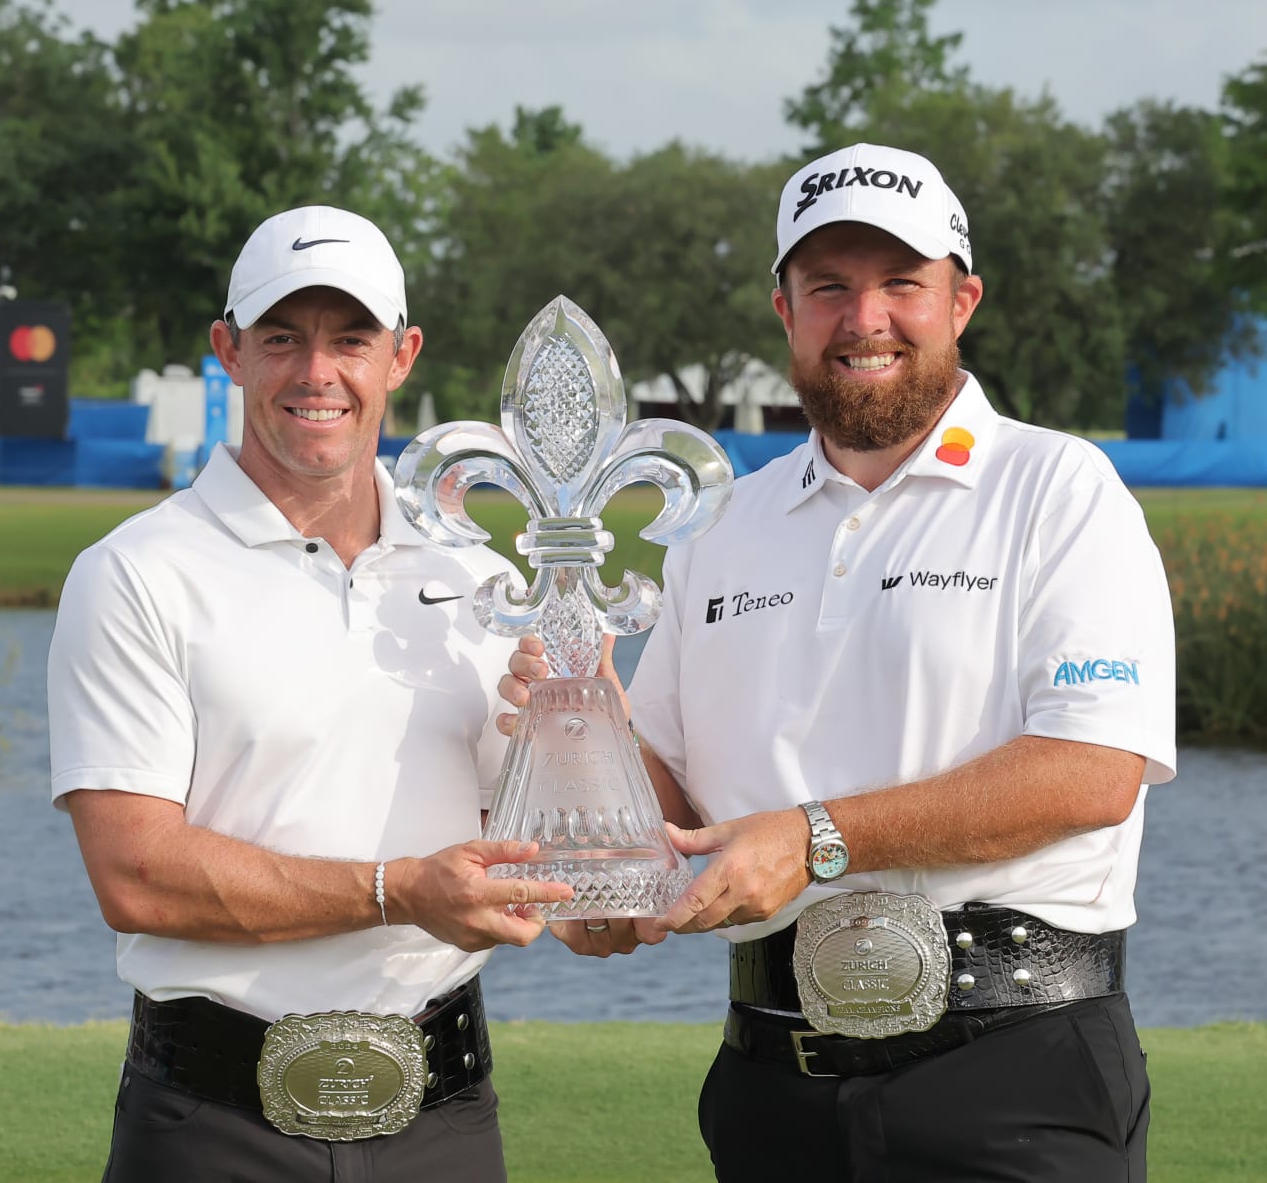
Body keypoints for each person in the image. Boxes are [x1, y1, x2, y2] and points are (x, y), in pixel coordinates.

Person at [500, 143, 1176, 1180]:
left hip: (1014, 1073)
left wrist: (816, 841)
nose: (866, 319)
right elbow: (672, 800)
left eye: (901, 283)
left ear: (962, 300)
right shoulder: (724, 525)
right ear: (786, 314)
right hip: (775, 1084)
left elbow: (1092, 772)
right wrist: (577, 747)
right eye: (830, 288)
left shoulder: (1059, 490)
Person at [48, 204, 573, 1183]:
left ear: (402, 355)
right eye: (282, 337)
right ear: (228, 352)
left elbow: (544, 849)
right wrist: (398, 892)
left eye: (351, 339)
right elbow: (135, 875)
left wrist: (586, 729)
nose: (317, 372)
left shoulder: (478, 573)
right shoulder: (138, 572)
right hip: (213, 1128)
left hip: (445, 1121)